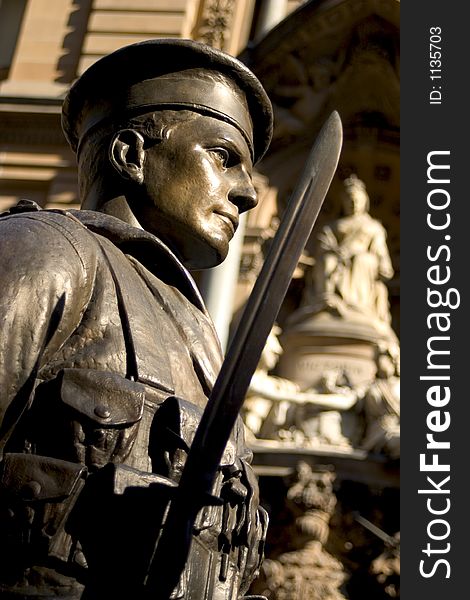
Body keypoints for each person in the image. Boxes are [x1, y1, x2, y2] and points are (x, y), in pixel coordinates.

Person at [0, 39, 273, 599]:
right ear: (131, 154)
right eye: (224, 156)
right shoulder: (47, 253)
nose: (247, 193)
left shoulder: (203, 340)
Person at [312, 174, 394, 324]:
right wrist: (335, 251)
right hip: (337, 256)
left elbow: (380, 254)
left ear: (364, 201)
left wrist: (380, 263)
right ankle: (327, 299)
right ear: (343, 202)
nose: (353, 203)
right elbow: (324, 244)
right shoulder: (333, 226)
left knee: (362, 259)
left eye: (357, 199)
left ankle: (356, 305)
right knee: (327, 260)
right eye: (349, 199)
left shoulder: (373, 227)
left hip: (362, 260)